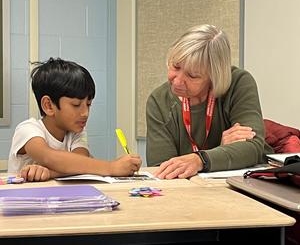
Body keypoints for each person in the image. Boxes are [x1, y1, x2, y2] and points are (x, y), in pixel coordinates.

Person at [146, 24, 273, 179]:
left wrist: (200, 160)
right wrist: (221, 151)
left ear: (214, 76)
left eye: (192, 76)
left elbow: (252, 148)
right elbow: (164, 168)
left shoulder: (239, 83)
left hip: (249, 183)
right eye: (175, 66)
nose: (178, 81)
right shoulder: (158, 101)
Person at [8, 57, 142, 181]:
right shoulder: (27, 130)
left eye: (88, 104)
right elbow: (50, 157)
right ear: (48, 105)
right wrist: (112, 167)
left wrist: (50, 173)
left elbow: (80, 162)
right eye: (76, 105)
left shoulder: (77, 131)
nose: (85, 113)